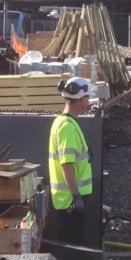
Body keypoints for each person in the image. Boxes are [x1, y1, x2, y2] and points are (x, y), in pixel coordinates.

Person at [47, 76, 94, 244]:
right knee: (73, 244)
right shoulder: (67, 127)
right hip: (70, 201)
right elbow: (66, 165)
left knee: (71, 241)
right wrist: (76, 197)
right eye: (87, 98)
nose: (89, 102)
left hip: (70, 199)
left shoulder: (64, 122)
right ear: (81, 99)